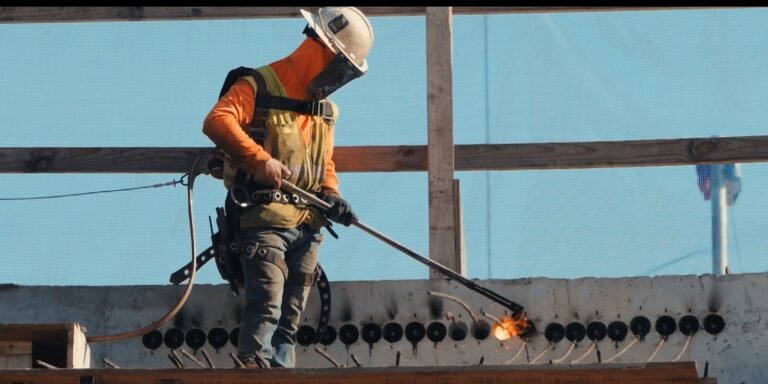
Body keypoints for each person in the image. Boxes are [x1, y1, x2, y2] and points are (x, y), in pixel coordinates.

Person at [202, 7, 373, 368]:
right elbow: (218, 121)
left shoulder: (325, 110)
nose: (340, 77)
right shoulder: (258, 87)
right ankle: (253, 367)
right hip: (264, 220)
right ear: (323, 49)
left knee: (289, 320)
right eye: (341, 66)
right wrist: (258, 160)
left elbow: (323, 162)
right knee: (266, 304)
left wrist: (332, 194)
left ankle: (280, 372)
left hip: (308, 226)